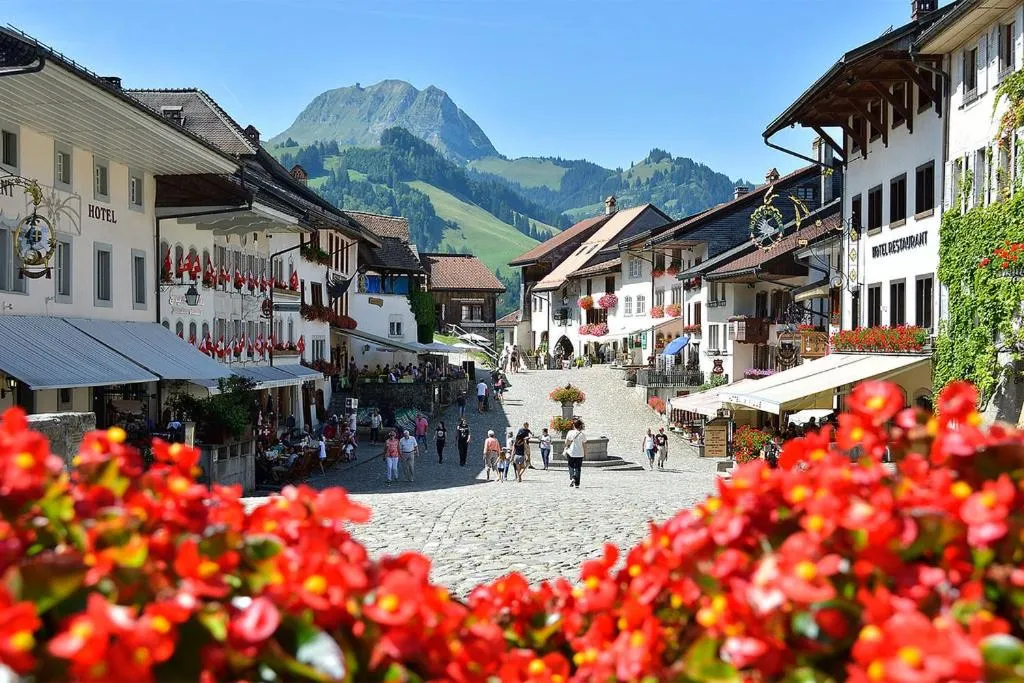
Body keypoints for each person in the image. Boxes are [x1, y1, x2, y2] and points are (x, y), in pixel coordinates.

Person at [564, 418, 587, 488]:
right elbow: (584, 445)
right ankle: (577, 483)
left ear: (574, 425)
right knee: (578, 468)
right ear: (580, 426)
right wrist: (585, 454)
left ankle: (572, 477)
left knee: (570, 466)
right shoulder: (582, 434)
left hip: (571, 452)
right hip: (579, 453)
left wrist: (567, 446)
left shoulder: (570, 432)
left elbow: (566, 442)